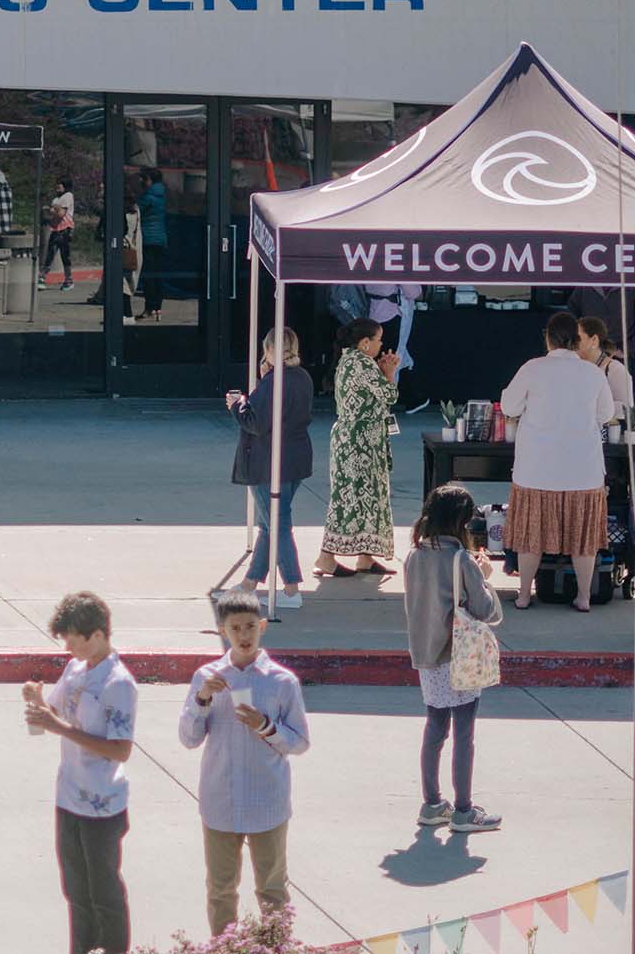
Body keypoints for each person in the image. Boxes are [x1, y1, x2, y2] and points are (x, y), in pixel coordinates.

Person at [178, 591, 310, 939]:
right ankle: (224, 947)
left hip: (266, 800)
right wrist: (202, 698)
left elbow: (299, 742)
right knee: (221, 890)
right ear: (223, 630)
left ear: (262, 627)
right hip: (220, 799)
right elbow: (189, 738)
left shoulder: (281, 681)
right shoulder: (206, 677)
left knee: (272, 890)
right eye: (235, 628)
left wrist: (265, 727)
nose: (244, 635)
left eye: (250, 626)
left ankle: (275, 946)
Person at [21, 591, 138, 954]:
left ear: (99, 635)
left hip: (102, 805)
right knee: (75, 889)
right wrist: (36, 701)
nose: (68, 644)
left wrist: (58, 728)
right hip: (69, 796)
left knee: (104, 892)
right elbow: (54, 713)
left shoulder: (118, 684)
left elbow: (121, 749)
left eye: (74, 637)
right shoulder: (75, 669)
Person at [401, 485, 505, 833]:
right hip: (458, 654)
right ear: (461, 521)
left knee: (434, 728)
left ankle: (432, 804)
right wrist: (485, 578)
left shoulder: (414, 555)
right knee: (464, 732)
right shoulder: (460, 559)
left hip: (425, 654)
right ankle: (463, 810)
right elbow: (486, 610)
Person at [500, 312, 617, 611]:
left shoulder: (532, 368)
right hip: (583, 468)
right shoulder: (593, 373)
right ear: (577, 342)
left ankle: (525, 594)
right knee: (583, 538)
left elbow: (510, 405)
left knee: (531, 536)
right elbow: (605, 414)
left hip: (536, 467)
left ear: (548, 338)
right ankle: (584, 596)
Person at [229, 328, 314, 608]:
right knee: (270, 524)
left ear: (268, 350)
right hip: (295, 458)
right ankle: (249, 584)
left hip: (269, 461)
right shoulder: (302, 378)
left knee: (277, 524)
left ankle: (291, 589)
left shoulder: (272, 383)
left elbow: (256, 423)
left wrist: (237, 405)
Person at [318, 318, 399, 578]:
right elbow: (390, 395)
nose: (381, 344)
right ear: (365, 343)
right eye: (378, 340)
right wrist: (389, 373)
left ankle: (365, 556)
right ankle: (326, 556)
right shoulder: (362, 364)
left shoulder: (352, 360)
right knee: (349, 496)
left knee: (367, 497)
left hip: (360, 440)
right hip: (358, 443)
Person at [575, 315, 633, 418]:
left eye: (577, 338)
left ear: (594, 340)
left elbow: (627, 409)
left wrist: (592, 405)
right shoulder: (574, 367)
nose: (573, 343)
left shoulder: (615, 369)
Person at [136, 169, 167, 320]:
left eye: (143, 179)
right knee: (158, 274)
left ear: (149, 180)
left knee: (148, 275)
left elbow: (135, 211)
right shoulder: (162, 195)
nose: (141, 182)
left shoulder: (147, 196)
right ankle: (158, 308)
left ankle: (149, 308)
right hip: (161, 239)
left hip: (148, 239)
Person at [42, 176, 77, 291]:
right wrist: (52, 210)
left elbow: (61, 213)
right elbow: (53, 212)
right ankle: (42, 277)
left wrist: (52, 209)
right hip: (56, 228)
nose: (57, 186)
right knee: (51, 253)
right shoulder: (56, 199)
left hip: (65, 229)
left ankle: (68, 279)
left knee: (64, 255)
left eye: (60, 184)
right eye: (57, 184)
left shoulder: (68, 196)